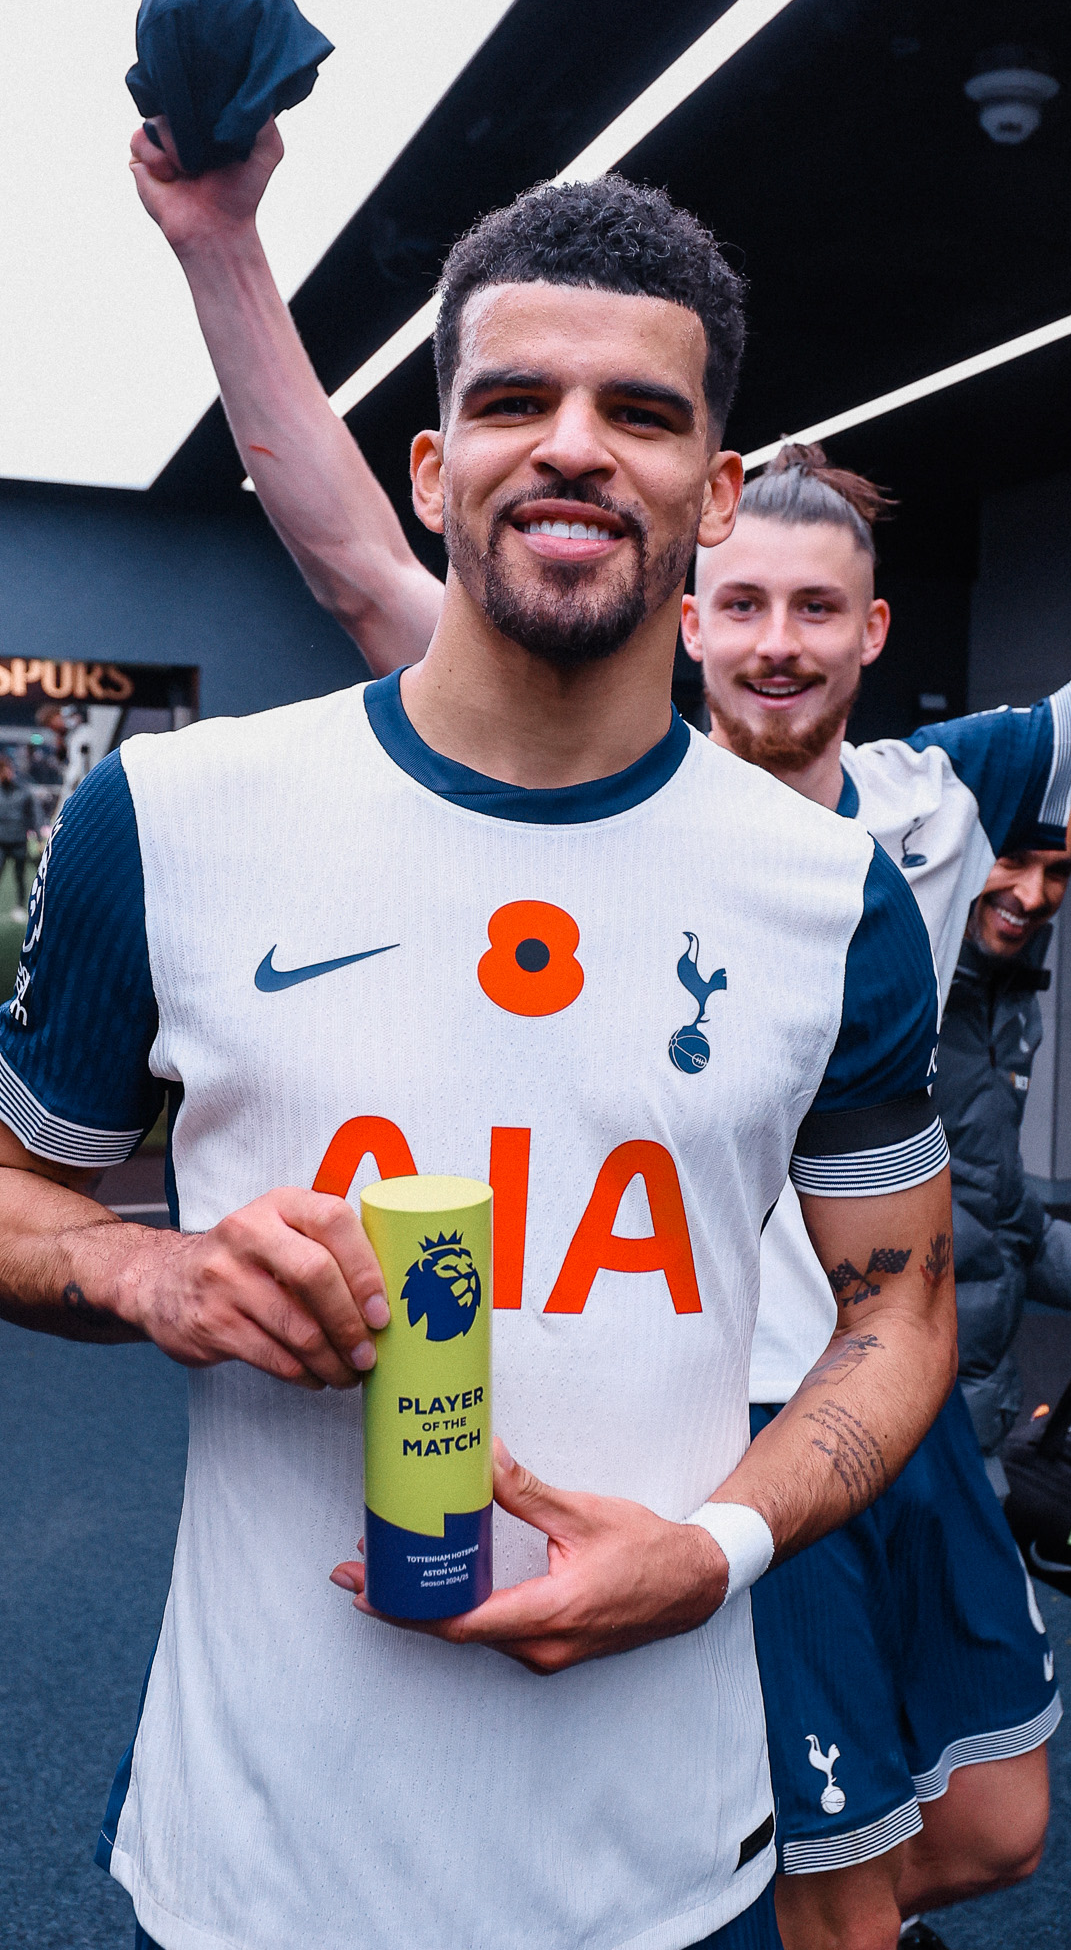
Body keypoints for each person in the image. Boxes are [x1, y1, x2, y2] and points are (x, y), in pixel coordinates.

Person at [128, 114, 1071, 1950]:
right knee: (804, 1871)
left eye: (810, 610)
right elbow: (356, 547)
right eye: (739, 610)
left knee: (982, 1821)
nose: (768, 643)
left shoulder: (930, 802)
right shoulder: (543, 748)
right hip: (691, 1391)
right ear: (686, 590)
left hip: (897, 1389)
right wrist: (220, 247)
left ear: (858, 623)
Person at [1, 171, 962, 1950]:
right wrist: (150, 1262)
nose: (574, 447)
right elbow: (15, 1196)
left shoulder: (829, 896)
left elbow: (898, 1311)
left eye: (642, 412)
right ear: (435, 473)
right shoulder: (175, 815)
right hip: (257, 1860)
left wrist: (721, 1547)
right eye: (513, 400)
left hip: (656, 1857)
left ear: (717, 490)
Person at [938, 806, 1071, 1466]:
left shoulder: (1011, 1002)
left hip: (976, 1402)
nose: (1034, 896)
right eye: (1012, 860)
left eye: (1058, 872)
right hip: (897, 1413)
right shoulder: (895, 998)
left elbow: (991, 1199)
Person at [0, 756, 38, 916]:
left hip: (18, 840)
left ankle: (20, 907)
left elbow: (33, 813)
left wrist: (37, 830)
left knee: (20, 876)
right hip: (1, 841)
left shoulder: (23, 790)